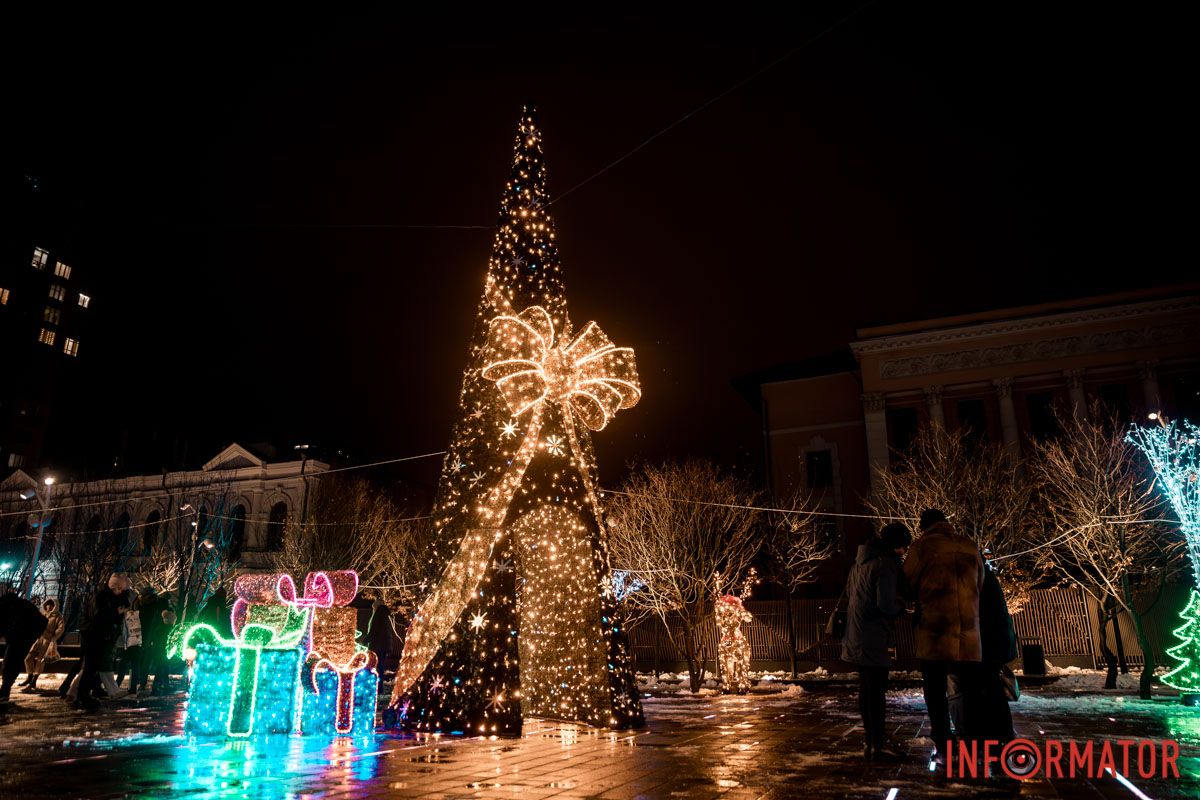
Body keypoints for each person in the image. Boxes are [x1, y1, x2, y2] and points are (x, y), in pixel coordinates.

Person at [902, 508, 985, 765]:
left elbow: (905, 583)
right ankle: (972, 742)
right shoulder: (970, 546)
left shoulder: (922, 547)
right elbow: (980, 583)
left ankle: (944, 745)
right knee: (969, 691)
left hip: (936, 631)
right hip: (969, 633)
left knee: (935, 692)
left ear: (923, 526)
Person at [842, 522, 912, 761]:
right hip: (872, 636)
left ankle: (871, 740)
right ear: (896, 545)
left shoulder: (858, 565)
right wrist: (902, 606)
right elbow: (885, 604)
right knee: (877, 691)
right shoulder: (884, 565)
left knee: (867, 689)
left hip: (856, 634)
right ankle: (879, 743)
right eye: (903, 547)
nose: (904, 552)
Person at [75, 574, 130, 711]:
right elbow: (99, 617)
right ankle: (82, 696)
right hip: (94, 636)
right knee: (90, 668)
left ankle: (81, 695)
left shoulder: (107, 598)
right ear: (115, 587)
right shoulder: (102, 598)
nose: (121, 591)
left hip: (98, 636)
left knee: (91, 668)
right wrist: (116, 613)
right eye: (119, 588)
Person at [0, 592, 48, 702]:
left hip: (18, 639)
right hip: (23, 639)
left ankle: (4, 690)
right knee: (13, 664)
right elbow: (43, 621)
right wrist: (33, 636)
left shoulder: (8, 608)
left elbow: (3, 625)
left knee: (10, 663)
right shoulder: (24, 604)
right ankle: (5, 690)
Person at [20, 598, 65, 691]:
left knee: (40, 661)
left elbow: (61, 628)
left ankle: (33, 681)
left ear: (54, 606)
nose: (48, 606)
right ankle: (29, 677)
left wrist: (54, 637)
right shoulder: (43, 614)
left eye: (51, 605)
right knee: (28, 658)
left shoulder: (58, 616)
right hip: (38, 639)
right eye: (47, 604)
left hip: (47, 641)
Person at [115, 592, 144, 696]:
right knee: (134, 665)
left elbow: (127, 630)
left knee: (124, 664)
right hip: (136, 642)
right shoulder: (140, 612)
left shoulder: (131, 614)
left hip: (132, 643)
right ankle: (131, 687)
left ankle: (117, 685)